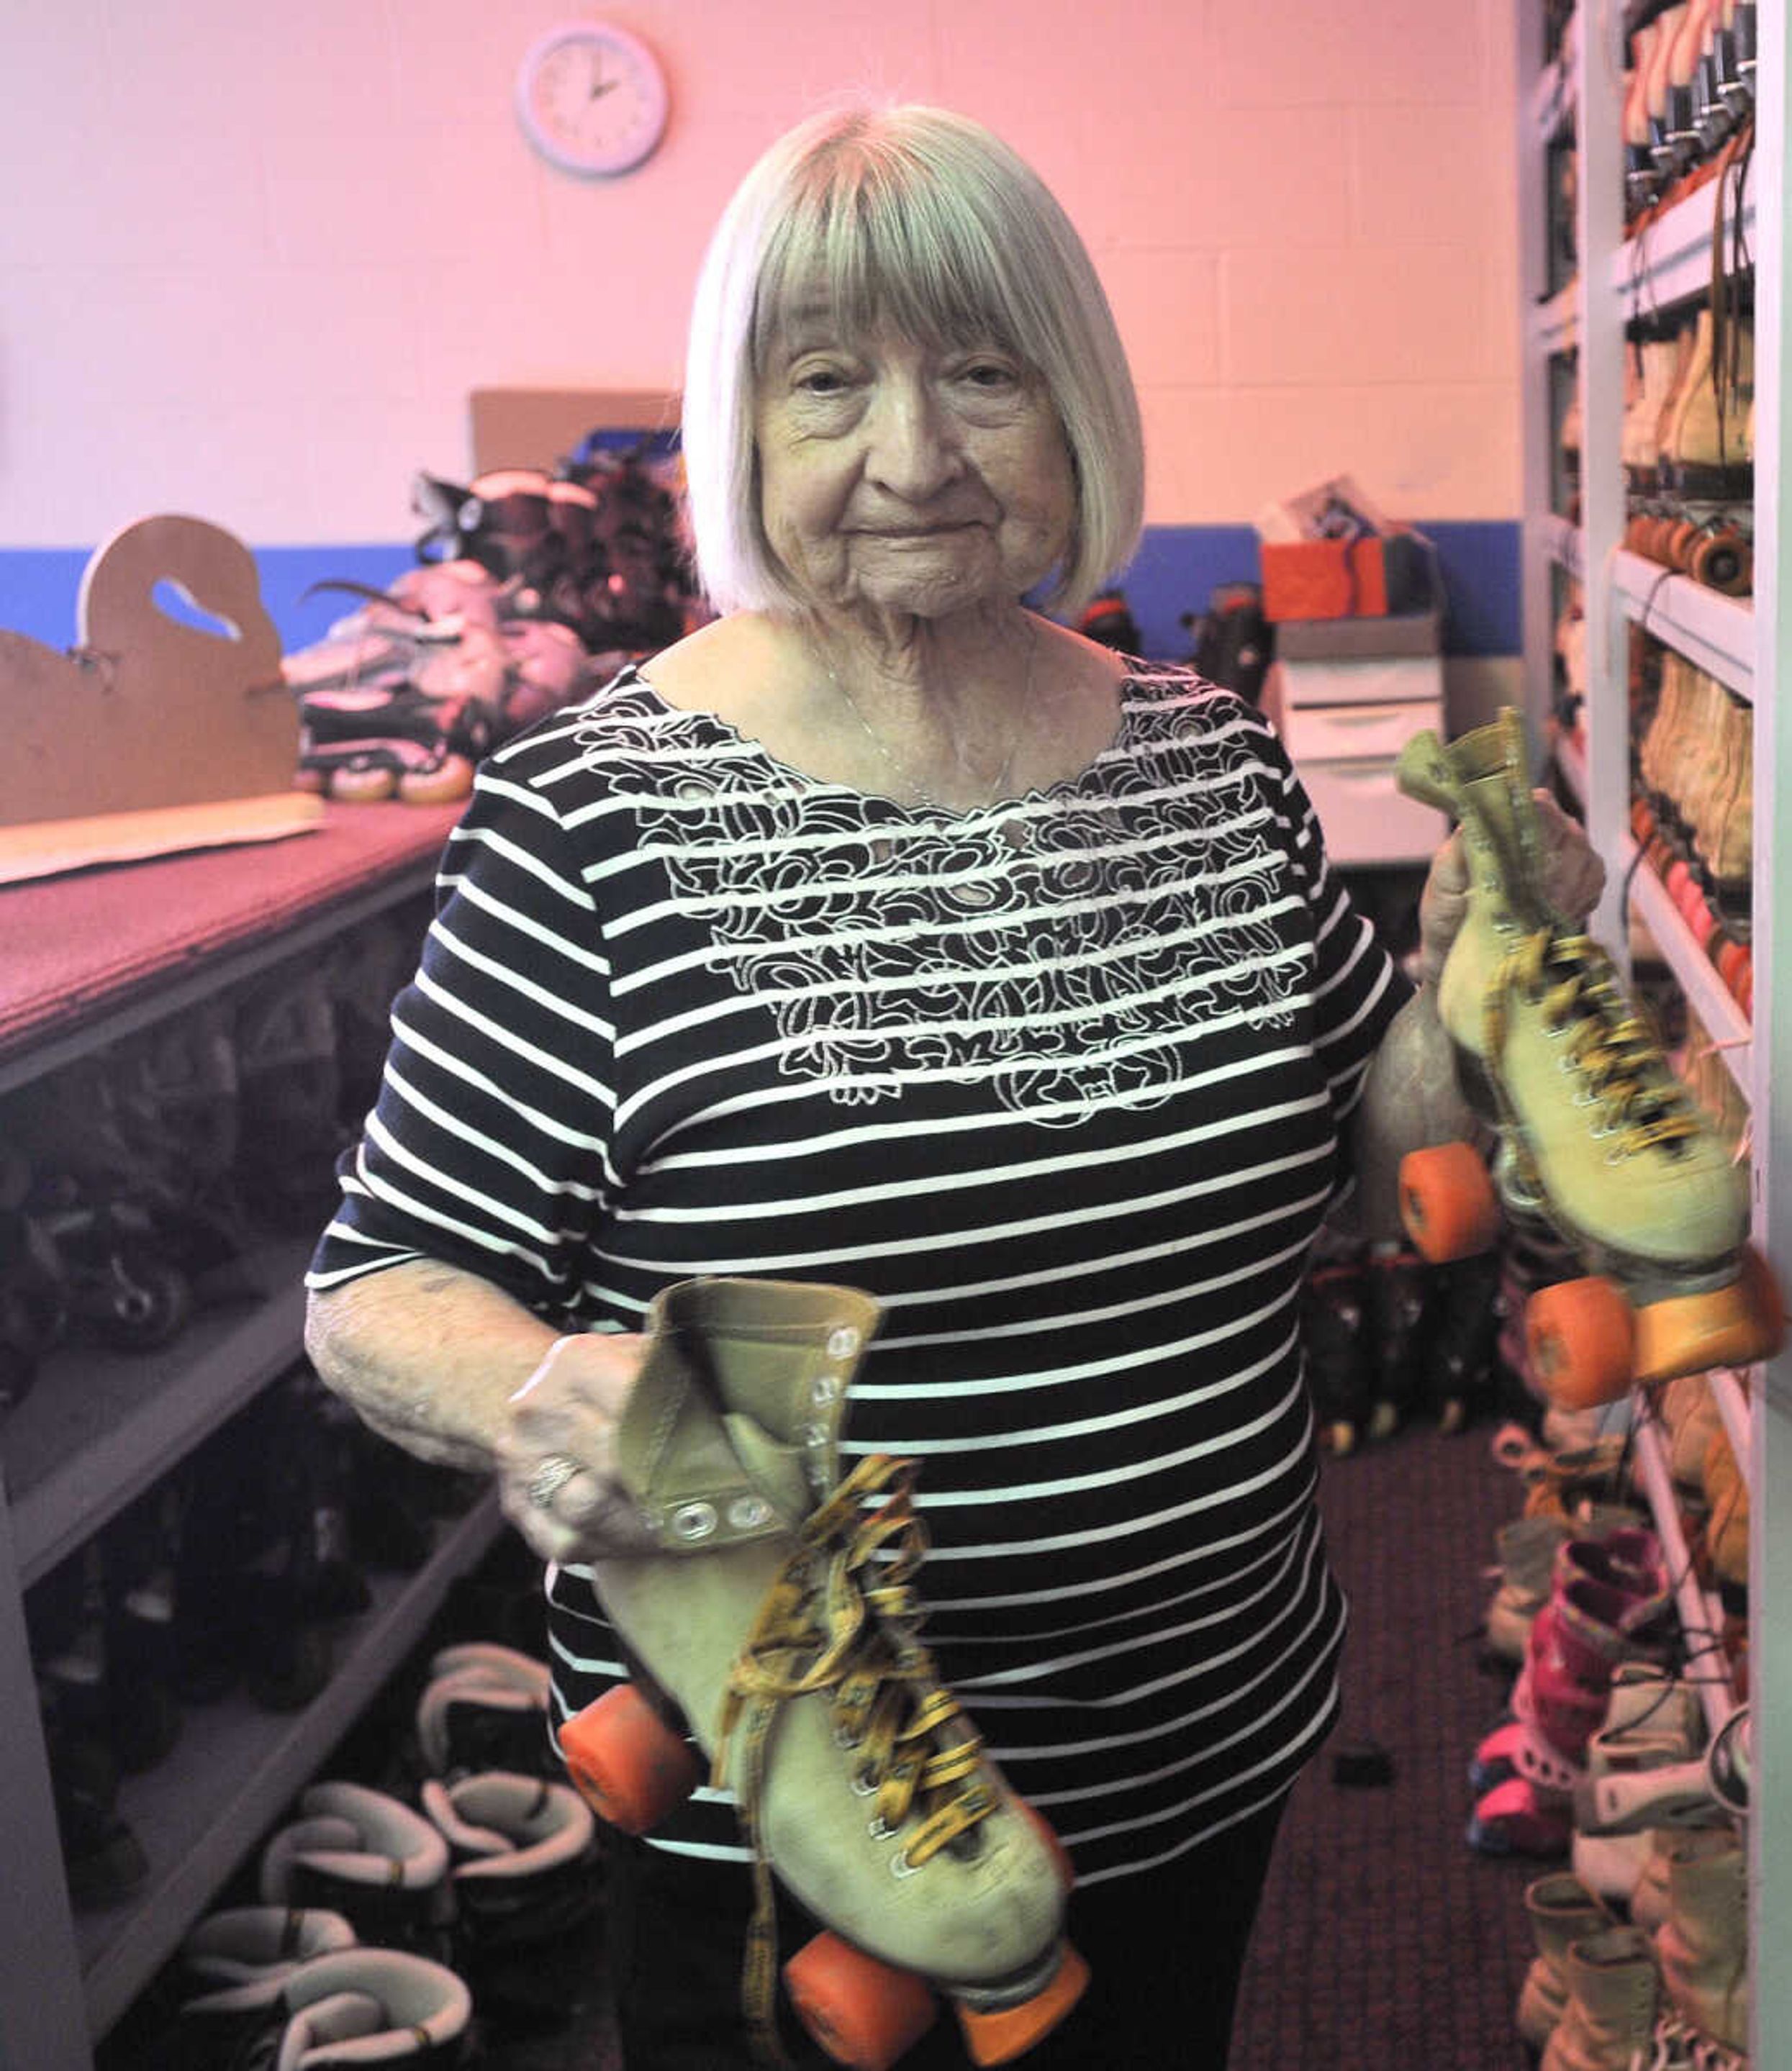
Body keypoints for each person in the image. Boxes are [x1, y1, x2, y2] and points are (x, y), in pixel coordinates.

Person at [302, 102, 1601, 2070]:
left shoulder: (1207, 761)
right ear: (746, 429)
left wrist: (1478, 976)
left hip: (1204, 1732)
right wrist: (540, 1392)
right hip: (809, 1828)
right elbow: (377, 1288)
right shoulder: (592, 816)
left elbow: (1381, 1157)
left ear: (1071, 401)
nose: (912, 452)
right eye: (829, 385)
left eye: (981, 373)